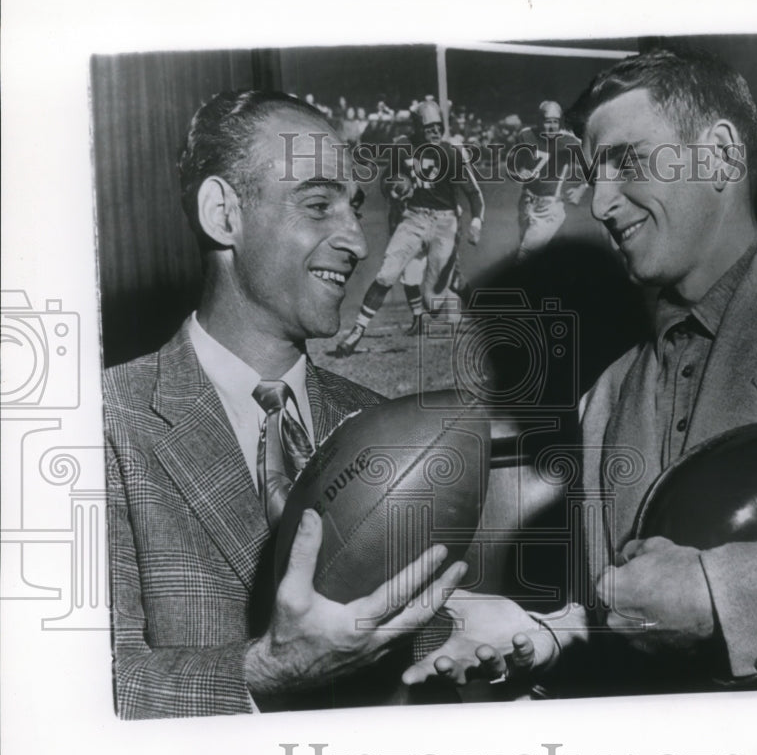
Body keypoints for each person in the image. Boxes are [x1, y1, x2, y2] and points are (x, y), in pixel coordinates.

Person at [402, 48, 757, 694]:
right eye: (593, 173)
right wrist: (549, 636)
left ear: (721, 156)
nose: (599, 202)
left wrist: (720, 591)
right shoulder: (610, 393)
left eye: (627, 161)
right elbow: (627, 616)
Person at [103, 89, 467, 719]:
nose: (356, 239)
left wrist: (481, 636)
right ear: (223, 215)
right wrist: (267, 671)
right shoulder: (103, 422)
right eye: (318, 205)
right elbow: (75, 698)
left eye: (355, 207)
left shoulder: (381, 424)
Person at [335, 99, 484, 355]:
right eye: (430, 128)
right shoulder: (403, 147)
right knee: (386, 274)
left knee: (433, 300)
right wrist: (394, 188)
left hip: (444, 222)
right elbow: (385, 182)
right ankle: (357, 331)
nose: (436, 132)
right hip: (413, 218)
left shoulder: (450, 153)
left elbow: (475, 194)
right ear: (417, 127)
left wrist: (476, 221)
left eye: (439, 127)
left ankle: (480, 312)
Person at [510, 100, 587, 259]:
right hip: (526, 202)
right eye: (547, 122)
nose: (551, 127)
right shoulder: (525, 135)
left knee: (524, 255)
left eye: (555, 122)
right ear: (538, 120)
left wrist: (582, 188)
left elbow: (594, 167)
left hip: (549, 207)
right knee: (532, 252)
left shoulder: (569, 141)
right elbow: (512, 167)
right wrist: (520, 171)